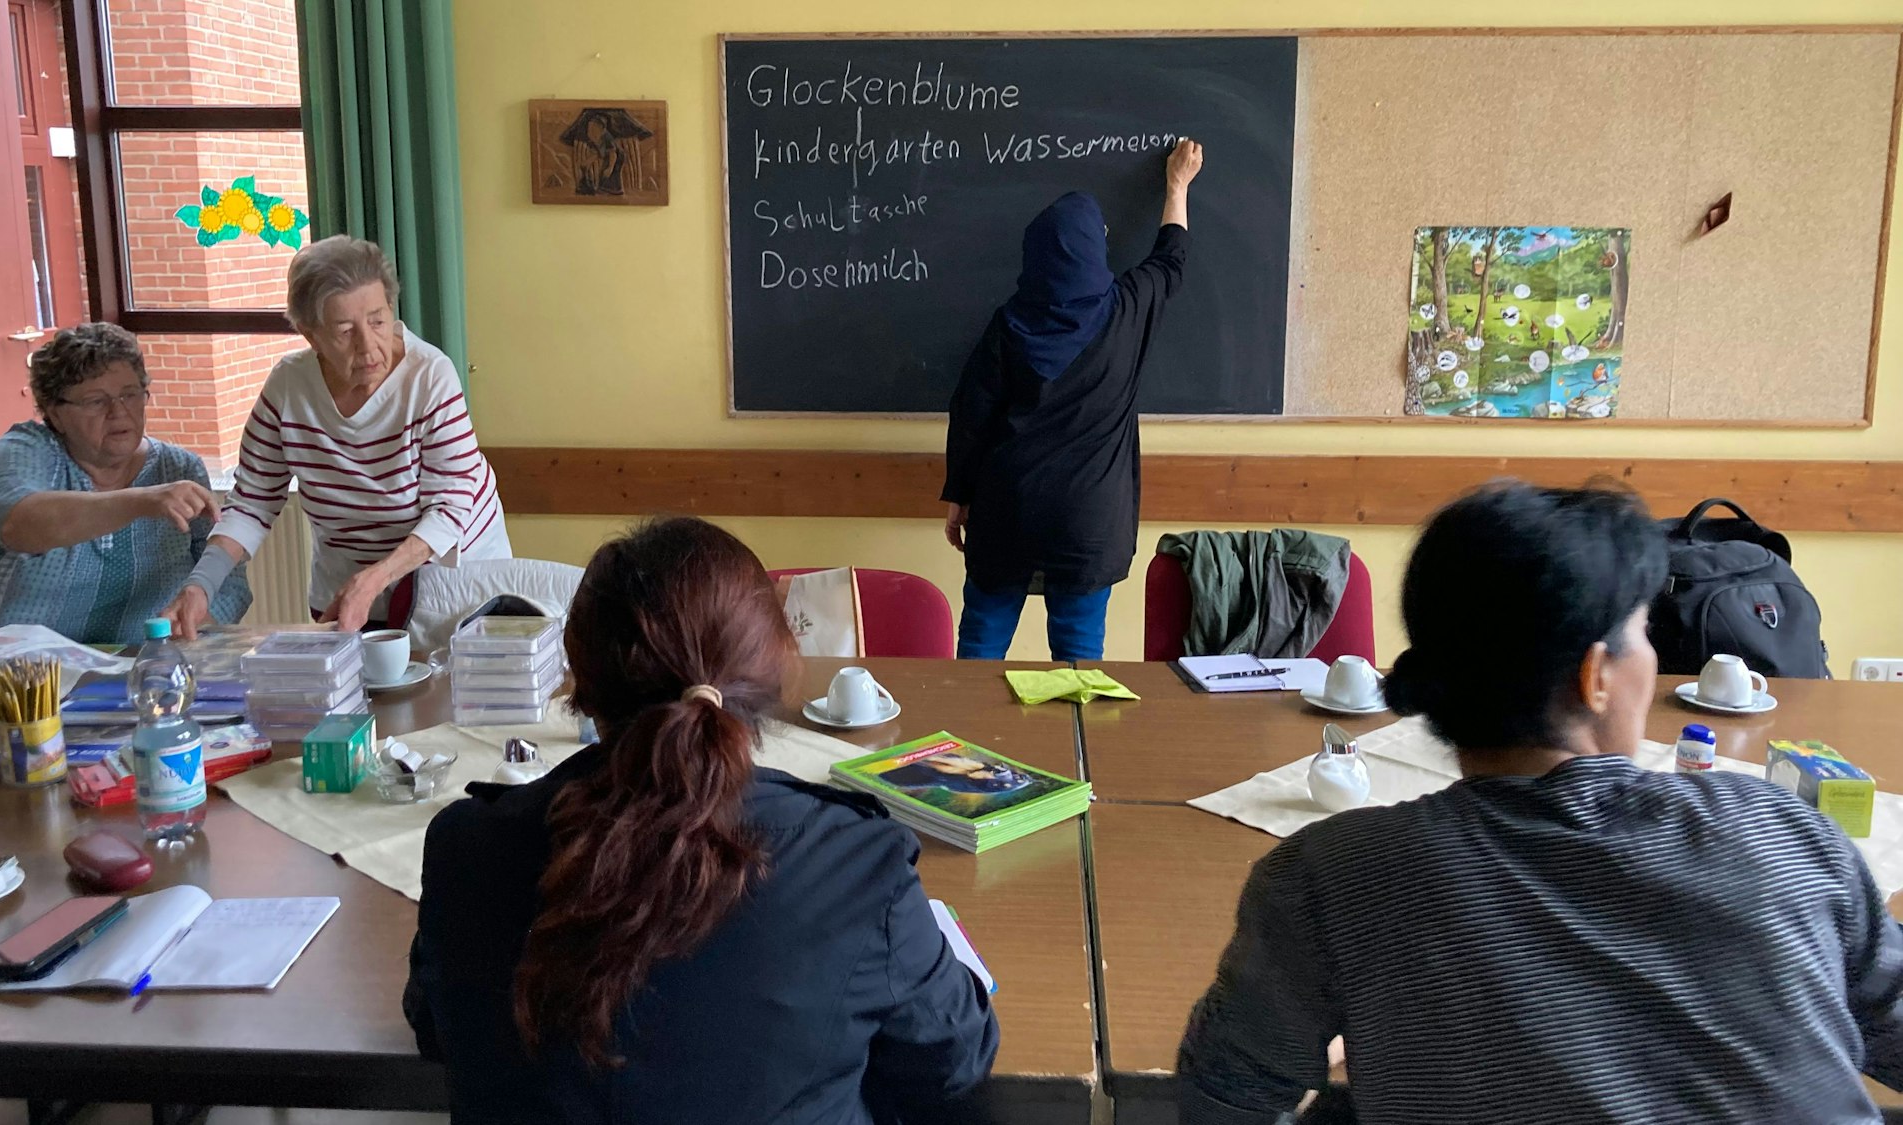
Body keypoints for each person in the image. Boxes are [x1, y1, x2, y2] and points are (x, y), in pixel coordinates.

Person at [1175, 483, 1903, 1124]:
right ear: (1597, 676)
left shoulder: (1335, 876)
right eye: (1645, 633)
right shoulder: (1783, 834)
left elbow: (1226, 1091)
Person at [404, 517, 998, 1123]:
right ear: (769, 670)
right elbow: (952, 1060)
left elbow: (436, 1028)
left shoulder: (466, 848)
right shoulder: (857, 864)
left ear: (578, 677)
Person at [164, 235, 508, 636]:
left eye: (378, 320)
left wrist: (376, 579)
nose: (368, 346)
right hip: (345, 580)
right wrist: (201, 583)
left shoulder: (430, 376)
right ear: (310, 335)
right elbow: (253, 502)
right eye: (345, 331)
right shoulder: (288, 387)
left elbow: (450, 506)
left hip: (452, 573)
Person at [941, 138, 1203, 661]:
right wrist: (1177, 185)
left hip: (1007, 512)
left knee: (979, 649)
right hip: (1088, 520)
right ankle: (1077, 746)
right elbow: (1171, 260)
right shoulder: (1127, 310)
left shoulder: (1009, 323)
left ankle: (964, 743)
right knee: (1079, 660)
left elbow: (971, 414)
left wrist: (958, 496)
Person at [0, 323, 251, 644]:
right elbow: (18, 526)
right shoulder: (28, 449)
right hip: (8, 674)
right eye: (95, 401)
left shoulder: (178, 467)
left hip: (136, 669)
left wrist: (198, 622)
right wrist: (140, 501)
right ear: (54, 412)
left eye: (130, 394)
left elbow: (226, 572)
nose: (118, 411)